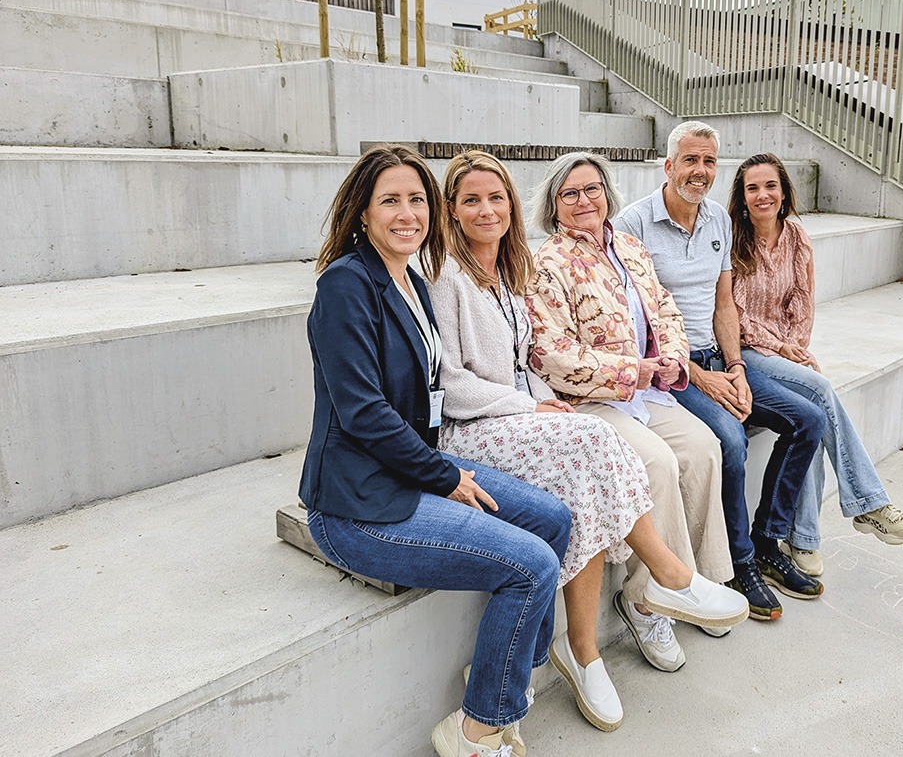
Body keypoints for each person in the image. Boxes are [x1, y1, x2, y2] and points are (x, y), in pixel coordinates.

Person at [428, 151, 747, 734]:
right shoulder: (451, 275)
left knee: (630, 459)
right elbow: (457, 381)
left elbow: (520, 359)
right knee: (595, 444)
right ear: (451, 209)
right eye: (471, 199)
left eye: (496, 197)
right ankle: (665, 581)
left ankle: (592, 643)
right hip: (477, 423)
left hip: (524, 408)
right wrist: (539, 398)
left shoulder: (504, 265)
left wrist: (665, 361)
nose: (486, 209)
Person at [298, 144, 572, 757]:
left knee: (553, 519)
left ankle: (505, 685)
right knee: (532, 566)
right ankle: (476, 731)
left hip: (412, 472)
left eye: (417, 200)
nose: (406, 213)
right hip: (359, 505)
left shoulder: (415, 285)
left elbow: (431, 394)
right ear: (362, 213)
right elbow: (363, 413)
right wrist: (445, 476)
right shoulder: (346, 285)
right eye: (389, 200)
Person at [526, 151, 744, 671]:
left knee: (704, 449)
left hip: (648, 392)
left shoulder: (628, 245)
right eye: (570, 193)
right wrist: (634, 371)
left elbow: (665, 307)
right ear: (555, 206)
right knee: (658, 464)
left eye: (592, 189)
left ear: (608, 194)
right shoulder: (548, 262)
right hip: (591, 398)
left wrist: (671, 356)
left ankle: (701, 582)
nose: (584, 201)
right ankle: (647, 601)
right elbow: (551, 354)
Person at [614, 121, 826, 622]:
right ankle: (739, 563)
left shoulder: (718, 220)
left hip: (718, 358)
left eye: (709, 161)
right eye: (690, 160)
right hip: (670, 368)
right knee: (730, 440)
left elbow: (723, 302)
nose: (700, 171)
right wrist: (700, 374)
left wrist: (734, 367)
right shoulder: (632, 225)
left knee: (808, 420)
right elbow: (636, 326)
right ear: (668, 166)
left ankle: (768, 539)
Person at [726, 152, 903, 577]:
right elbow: (735, 315)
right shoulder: (732, 237)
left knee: (812, 412)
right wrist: (781, 348)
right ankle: (869, 504)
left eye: (770, 186)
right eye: (752, 188)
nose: (762, 195)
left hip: (782, 352)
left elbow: (803, 302)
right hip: (745, 352)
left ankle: (805, 539)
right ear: (742, 198)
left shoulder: (796, 236)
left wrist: (795, 345)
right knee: (819, 389)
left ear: (784, 192)